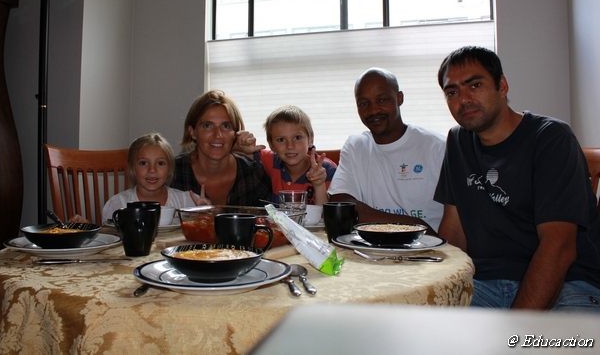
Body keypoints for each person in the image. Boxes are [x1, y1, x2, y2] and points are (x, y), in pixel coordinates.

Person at [434, 46, 600, 310]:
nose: (463, 99)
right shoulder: (458, 141)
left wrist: (517, 326)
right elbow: (454, 230)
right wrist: (438, 290)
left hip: (568, 284)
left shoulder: (551, 138)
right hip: (485, 283)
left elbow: (559, 248)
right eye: (452, 92)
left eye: (475, 85)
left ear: (502, 86)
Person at [328, 68, 445, 232]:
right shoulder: (356, 146)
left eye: (382, 100)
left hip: (427, 244)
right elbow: (340, 203)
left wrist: (422, 232)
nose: (373, 110)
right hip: (372, 244)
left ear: (399, 98)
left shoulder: (437, 146)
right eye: (363, 103)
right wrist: (414, 225)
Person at [172, 90, 272, 206]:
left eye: (226, 126)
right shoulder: (172, 173)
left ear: (235, 133)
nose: (218, 135)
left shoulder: (253, 174)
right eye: (207, 126)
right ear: (192, 132)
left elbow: (274, 215)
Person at [100, 133, 207, 222]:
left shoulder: (187, 202)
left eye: (160, 163)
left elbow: (202, 232)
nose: (152, 170)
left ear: (170, 169)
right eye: (143, 163)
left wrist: (206, 214)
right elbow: (109, 236)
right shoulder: (118, 204)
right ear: (132, 168)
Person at [254, 105, 337, 205]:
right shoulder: (271, 160)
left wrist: (319, 185)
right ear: (271, 145)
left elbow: (326, 213)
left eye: (297, 138)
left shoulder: (327, 170)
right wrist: (242, 146)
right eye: (281, 140)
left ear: (311, 140)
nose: (290, 146)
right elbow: (243, 155)